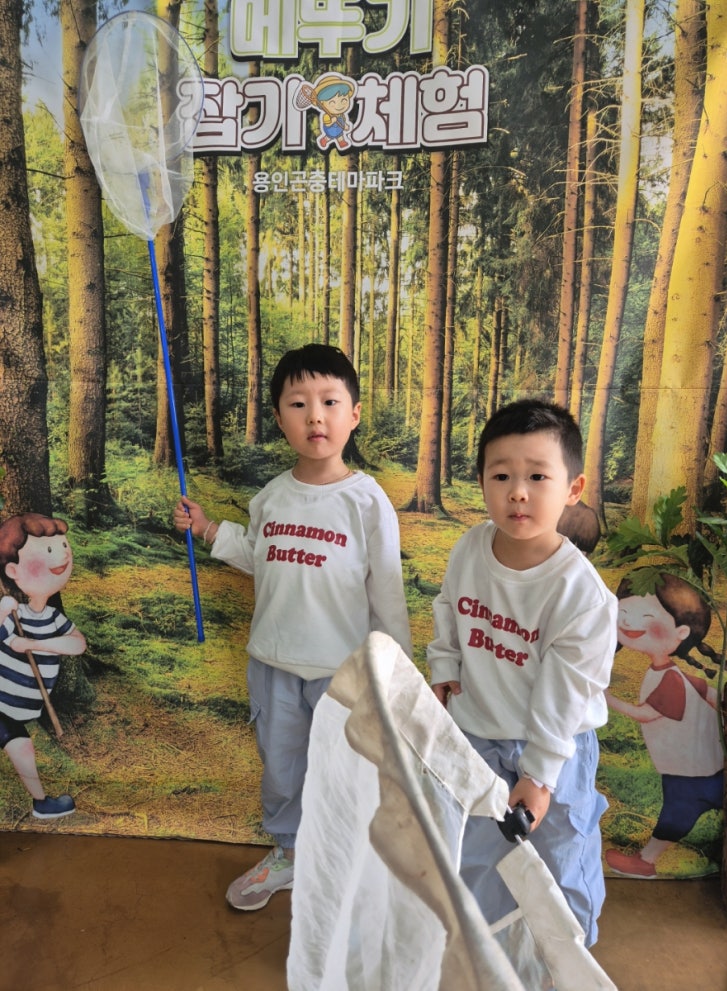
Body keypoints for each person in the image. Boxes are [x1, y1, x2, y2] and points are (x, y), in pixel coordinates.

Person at [174, 343, 412, 912]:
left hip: (342, 673)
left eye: (330, 402)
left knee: (345, 772)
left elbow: (387, 591)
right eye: (298, 404)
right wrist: (208, 530)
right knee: (282, 770)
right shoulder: (272, 497)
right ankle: (288, 851)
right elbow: (260, 555)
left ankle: (348, 862)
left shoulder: (367, 502)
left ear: (354, 414)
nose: (315, 417)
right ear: (280, 419)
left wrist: (396, 673)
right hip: (273, 666)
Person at [427, 398, 616, 947]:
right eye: (501, 475)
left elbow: (566, 697)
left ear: (573, 488)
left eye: (537, 476)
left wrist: (539, 777)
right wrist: (444, 666)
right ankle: (488, 950)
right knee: (480, 850)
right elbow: (449, 608)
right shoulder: (469, 547)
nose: (517, 492)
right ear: (482, 483)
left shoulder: (581, 595)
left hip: (557, 748)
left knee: (561, 855)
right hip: (479, 735)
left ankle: (568, 961)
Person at [604, 572, 724, 879]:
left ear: (681, 632)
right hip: (701, 767)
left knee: (676, 814)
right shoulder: (670, 673)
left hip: (689, 771)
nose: (628, 622)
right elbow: (707, 692)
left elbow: (644, 714)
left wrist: (606, 698)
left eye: (645, 616)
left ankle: (646, 862)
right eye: (623, 611)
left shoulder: (670, 678)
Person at [0, 513, 87, 819]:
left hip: (17, 712)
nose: (62, 554)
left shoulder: (53, 618)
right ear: (13, 570)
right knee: (20, 746)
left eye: (63, 546)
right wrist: (2, 614)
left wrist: (34, 644)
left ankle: (41, 803)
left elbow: (78, 644)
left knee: (21, 746)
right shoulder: (13, 614)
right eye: (49, 550)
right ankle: (41, 802)